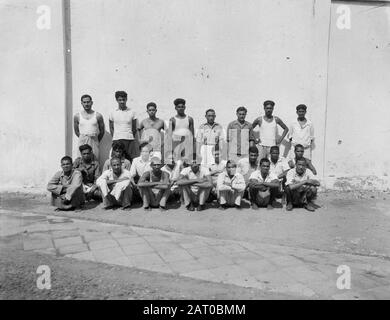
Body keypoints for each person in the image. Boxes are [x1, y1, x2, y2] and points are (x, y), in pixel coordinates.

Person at [109, 91, 139, 162]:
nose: (122, 102)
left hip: (129, 139)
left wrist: (130, 136)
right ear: (116, 100)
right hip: (117, 139)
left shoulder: (132, 112)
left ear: (126, 99)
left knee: (130, 159)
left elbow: (134, 128)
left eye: (124, 99)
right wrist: (116, 137)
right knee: (116, 159)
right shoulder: (112, 112)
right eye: (120, 100)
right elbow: (111, 128)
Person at [73, 94, 105, 160]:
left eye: (88, 102)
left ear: (91, 102)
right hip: (82, 140)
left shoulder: (98, 115)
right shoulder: (77, 116)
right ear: (81, 103)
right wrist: (83, 138)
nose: (86, 104)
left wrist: (96, 139)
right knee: (81, 159)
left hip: (94, 140)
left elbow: (102, 131)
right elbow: (76, 131)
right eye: (84, 102)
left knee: (94, 159)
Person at [168, 98, 195, 162]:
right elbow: (170, 135)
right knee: (177, 162)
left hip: (187, 144)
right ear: (176, 108)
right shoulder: (172, 120)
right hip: (176, 143)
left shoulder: (189, 119)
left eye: (182, 107)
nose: (181, 108)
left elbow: (192, 135)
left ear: (185, 107)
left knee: (187, 162)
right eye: (179, 107)